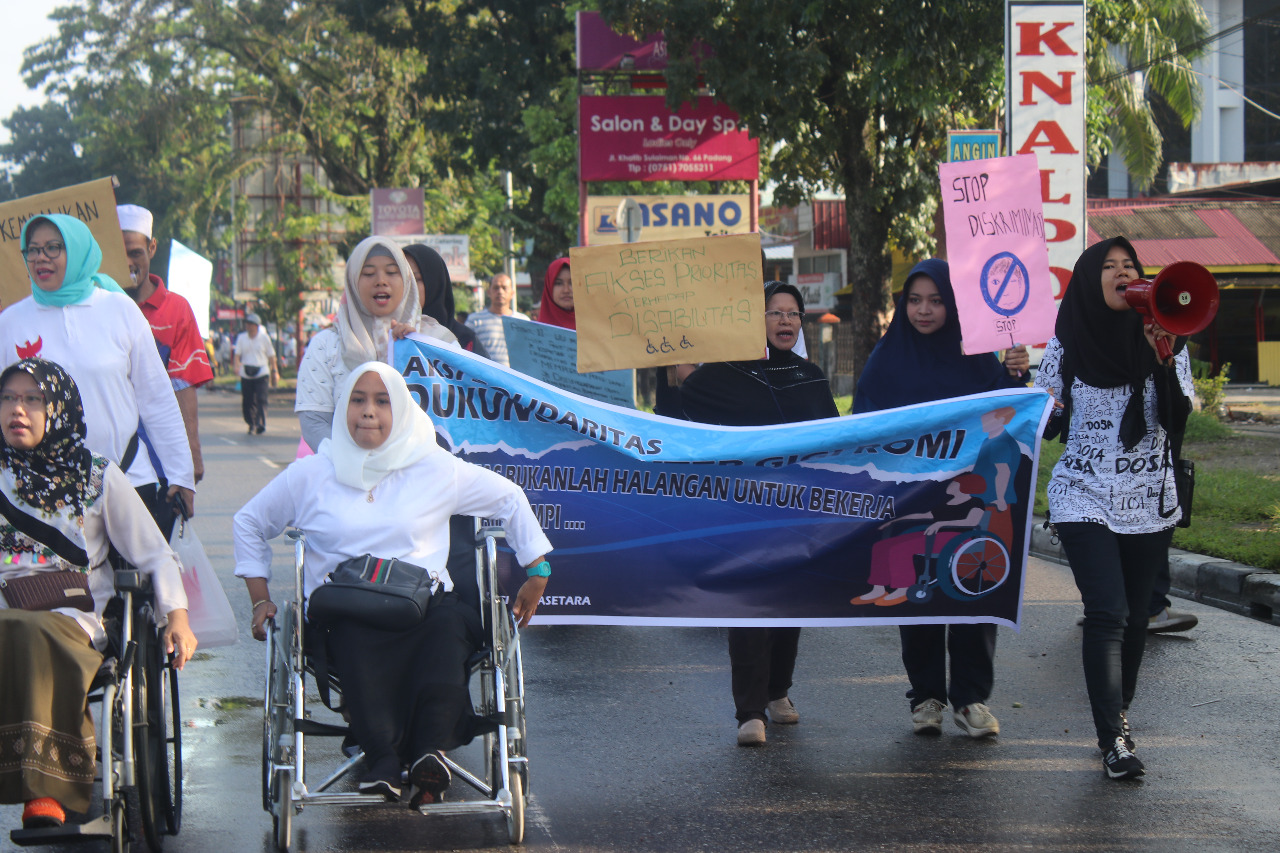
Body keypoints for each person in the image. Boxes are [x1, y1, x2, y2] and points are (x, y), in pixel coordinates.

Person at [234, 362, 552, 804]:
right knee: (353, 635)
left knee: (447, 631)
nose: (368, 411)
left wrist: (537, 571)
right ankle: (382, 759)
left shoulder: (434, 468)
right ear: (343, 408)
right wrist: (260, 599)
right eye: (358, 400)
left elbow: (510, 498)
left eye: (382, 401)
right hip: (345, 612)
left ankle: (429, 754)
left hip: (426, 605)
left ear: (401, 410)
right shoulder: (311, 475)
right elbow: (248, 522)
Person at [0, 358, 196, 830]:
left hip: (72, 618)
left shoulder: (97, 476)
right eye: (7, 398)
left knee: (29, 629)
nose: (17, 410)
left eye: (32, 399)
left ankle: (45, 789)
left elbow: (155, 555)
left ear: (57, 408)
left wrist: (177, 616)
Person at [1035, 236, 1194, 780]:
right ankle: (1113, 741)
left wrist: (1163, 357)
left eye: (1130, 265)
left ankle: (1118, 714)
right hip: (1082, 494)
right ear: (1088, 279)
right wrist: (1024, 388)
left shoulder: (1168, 336)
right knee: (1107, 611)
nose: (1122, 272)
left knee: (1134, 617)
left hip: (1148, 498)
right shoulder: (1067, 341)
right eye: (1109, 266)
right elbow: (1048, 425)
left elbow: (1176, 420)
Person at [852, 259, 1028, 738]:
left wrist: (1014, 376)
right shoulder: (886, 361)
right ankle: (926, 695)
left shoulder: (977, 358)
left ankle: (971, 699)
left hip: (973, 501)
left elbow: (1005, 416)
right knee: (918, 595)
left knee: (974, 593)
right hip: (911, 495)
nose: (923, 310)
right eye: (914, 301)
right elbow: (865, 428)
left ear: (953, 305)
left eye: (935, 301)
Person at [676, 282, 839, 746]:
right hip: (742, 512)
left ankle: (778, 691)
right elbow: (681, 410)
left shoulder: (811, 377)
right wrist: (676, 369)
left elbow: (836, 439)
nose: (786, 320)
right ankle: (750, 711)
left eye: (793, 313)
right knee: (749, 606)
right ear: (753, 320)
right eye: (774, 312)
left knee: (789, 603)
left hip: (800, 512)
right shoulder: (723, 374)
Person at [0, 214, 196, 523]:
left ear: (78, 250)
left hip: (128, 480)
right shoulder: (11, 322)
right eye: (33, 249)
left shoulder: (120, 310)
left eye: (53, 247)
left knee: (140, 557)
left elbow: (157, 399)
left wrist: (181, 475)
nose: (41, 257)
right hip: (45, 493)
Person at [294, 236, 456, 453]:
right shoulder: (326, 346)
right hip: (347, 470)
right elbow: (314, 422)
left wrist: (417, 350)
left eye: (392, 272)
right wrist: (358, 463)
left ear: (406, 280)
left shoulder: (438, 340)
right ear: (353, 282)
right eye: (368, 273)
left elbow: (460, 413)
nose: (380, 281)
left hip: (424, 469)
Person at [117, 204, 214, 536]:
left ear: (152, 248)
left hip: (160, 462)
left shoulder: (176, 309)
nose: (128, 262)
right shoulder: (96, 305)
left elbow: (183, 386)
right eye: (120, 253)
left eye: (136, 252)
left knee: (155, 556)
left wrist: (191, 459)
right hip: (107, 461)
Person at [402, 244, 489, 358]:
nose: (408, 286)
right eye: (402, 278)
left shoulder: (464, 340)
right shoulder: (387, 334)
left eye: (416, 279)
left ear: (435, 283)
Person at [465, 273, 529, 367]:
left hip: (515, 375)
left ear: (512, 293)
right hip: (484, 374)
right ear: (489, 292)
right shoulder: (474, 320)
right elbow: (465, 351)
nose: (500, 291)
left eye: (504, 288)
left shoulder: (524, 321)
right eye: (496, 288)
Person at [232, 313, 277, 435]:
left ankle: (260, 423)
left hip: (261, 371)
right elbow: (237, 354)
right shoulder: (242, 338)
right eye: (247, 324)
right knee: (248, 400)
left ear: (256, 325)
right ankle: (251, 423)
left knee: (261, 399)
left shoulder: (264, 338)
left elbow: (271, 355)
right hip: (246, 372)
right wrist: (236, 366)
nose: (248, 326)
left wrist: (274, 370)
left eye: (251, 324)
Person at [536, 257, 574, 330]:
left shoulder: (594, 324)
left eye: (571, 283)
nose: (566, 290)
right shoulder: (538, 331)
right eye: (558, 283)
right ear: (549, 287)